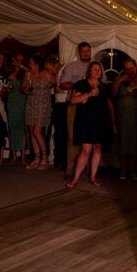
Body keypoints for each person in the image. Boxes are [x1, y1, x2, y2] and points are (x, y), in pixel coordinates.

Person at [66, 61, 115, 188]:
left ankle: (93, 177)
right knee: (86, 150)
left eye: (99, 69)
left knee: (98, 148)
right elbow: (72, 100)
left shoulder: (104, 87)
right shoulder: (81, 84)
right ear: (89, 71)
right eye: (94, 69)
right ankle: (75, 179)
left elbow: (109, 104)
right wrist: (88, 94)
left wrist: (113, 122)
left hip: (101, 121)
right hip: (86, 121)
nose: (97, 72)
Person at [58, 42, 92, 177]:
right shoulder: (72, 66)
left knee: (89, 138)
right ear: (79, 52)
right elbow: (63, 84)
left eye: (88, 51)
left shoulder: (96, 66)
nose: (86, 53)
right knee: (73, 137)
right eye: (83, 51)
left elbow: (103, 83)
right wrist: (79, 85)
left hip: (91, 106)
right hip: (75, 105)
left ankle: (90, 170)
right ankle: (70, 170)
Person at [112, 58, 137, 180]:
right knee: (122, 143)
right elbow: (113, 94)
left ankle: (133, 171)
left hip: (136, 116)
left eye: (131, 68)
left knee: (134, 144)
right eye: (127, 69)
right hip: (122, 116)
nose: (129, 71)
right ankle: (122, 171)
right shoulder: (120, 79)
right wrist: (120, 80)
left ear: (136, 67)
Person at [22, 53, 55, 170]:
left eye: (31, 62)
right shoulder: (28, 74)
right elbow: (22, 88)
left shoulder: (46, 74)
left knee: (37, 130)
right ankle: (37, 158)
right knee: (31, 130)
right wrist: (26, 87)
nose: (29, 64)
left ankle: (45, 158)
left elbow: (57, 84)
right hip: (31, 104)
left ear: (37, 63)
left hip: (43, 105)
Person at [5, 53, 28, 165]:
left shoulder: (25, 72)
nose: (19, 62)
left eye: (21, 60)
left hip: (22, 101)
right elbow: (6, 88)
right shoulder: (9, 71)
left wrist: (21, 67)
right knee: (12, 127)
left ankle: (23, 156)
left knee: (21, 128)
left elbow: (31, 73)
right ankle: (13, 155)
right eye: (17, 60)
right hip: (11, 101)